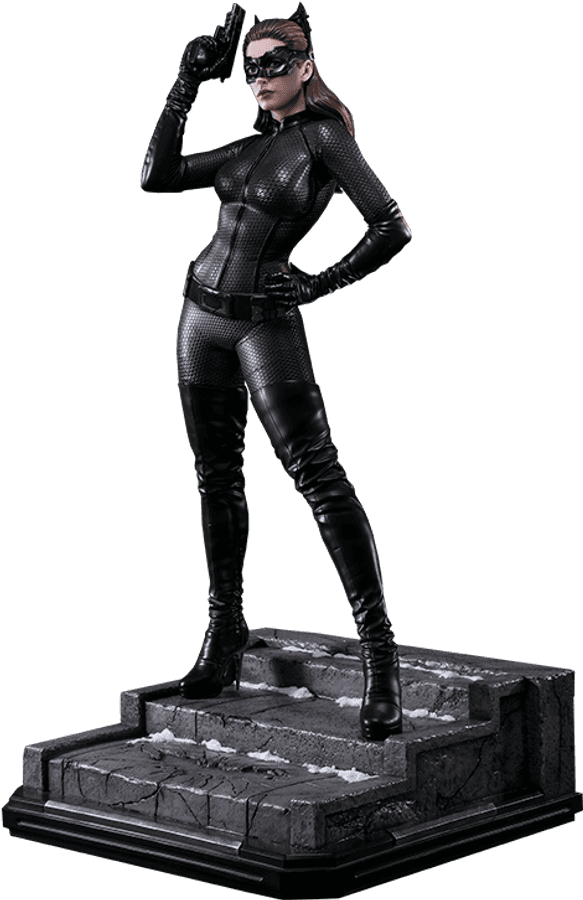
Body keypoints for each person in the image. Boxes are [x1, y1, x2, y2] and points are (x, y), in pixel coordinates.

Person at [140, 4, 412, 741]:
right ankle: (223, 633)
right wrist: (185, 80)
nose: (259, 78)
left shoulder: (324, 139)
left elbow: (392, 225)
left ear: (306, 66)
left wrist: (319, 284)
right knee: (215, 478)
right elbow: (156, 176)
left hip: (265, 322)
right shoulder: (248, 146)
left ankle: (380, 658)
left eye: (274, 64)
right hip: (198, 320)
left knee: (319, 478)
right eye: (250, 67)